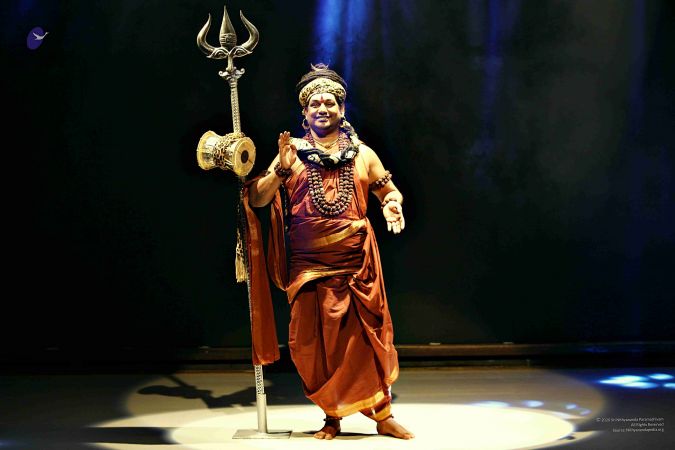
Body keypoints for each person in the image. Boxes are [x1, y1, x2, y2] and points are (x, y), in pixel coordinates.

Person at [245, 63, 413, 440]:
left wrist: (392, 204)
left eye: (330, 102)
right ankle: (331, 417)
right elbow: (258, 199)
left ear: (342, 108)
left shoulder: (363, 154)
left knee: (367, 342)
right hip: (308, 267)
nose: (323, 108)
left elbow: (389, 191)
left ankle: (383, 415)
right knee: (312, 345)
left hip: (356, 265)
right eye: (315, 104)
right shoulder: (291, 152)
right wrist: (280, 171)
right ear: (304, 112)